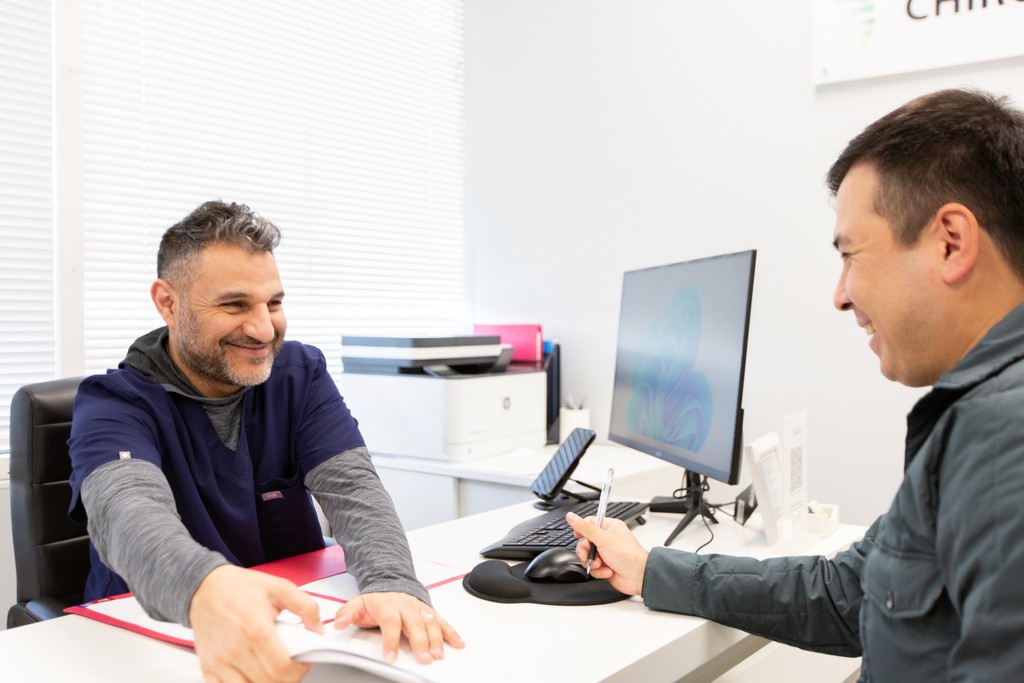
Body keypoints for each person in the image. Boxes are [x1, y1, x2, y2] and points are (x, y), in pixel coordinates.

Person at [568, 87, 1024, 681]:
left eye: (851, 255)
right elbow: (850, 592)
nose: (841, 295)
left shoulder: (1001, 433)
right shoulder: (979, 419)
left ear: (950, 242)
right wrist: (652, 569)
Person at [68, 200, 463, 682]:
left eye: (273, 303)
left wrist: (393, 583)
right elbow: (126, 514)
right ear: (167, 302)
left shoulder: (300, 374)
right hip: (146, 641)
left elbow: (354, 490)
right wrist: (205, 587)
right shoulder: (113, 402)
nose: (262, 329)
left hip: (296, 628)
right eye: (235, 304)